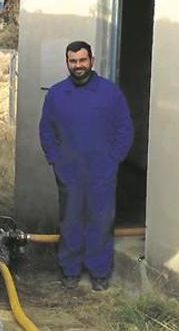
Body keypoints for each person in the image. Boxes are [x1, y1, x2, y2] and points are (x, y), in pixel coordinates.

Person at [38, 41, 133, 291]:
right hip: (69, 171)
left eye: (82, 60)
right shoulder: (57, 94)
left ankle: (99, 272)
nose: (78, 66)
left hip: (102, 170)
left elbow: (124, 129)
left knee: (100, 221)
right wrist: (56, 159)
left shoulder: (110, 93)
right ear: (67, 62)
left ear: (92, 60)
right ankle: (70, 270)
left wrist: (113, 158)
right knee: (71, 221)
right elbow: (46, 130)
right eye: (73, 61)